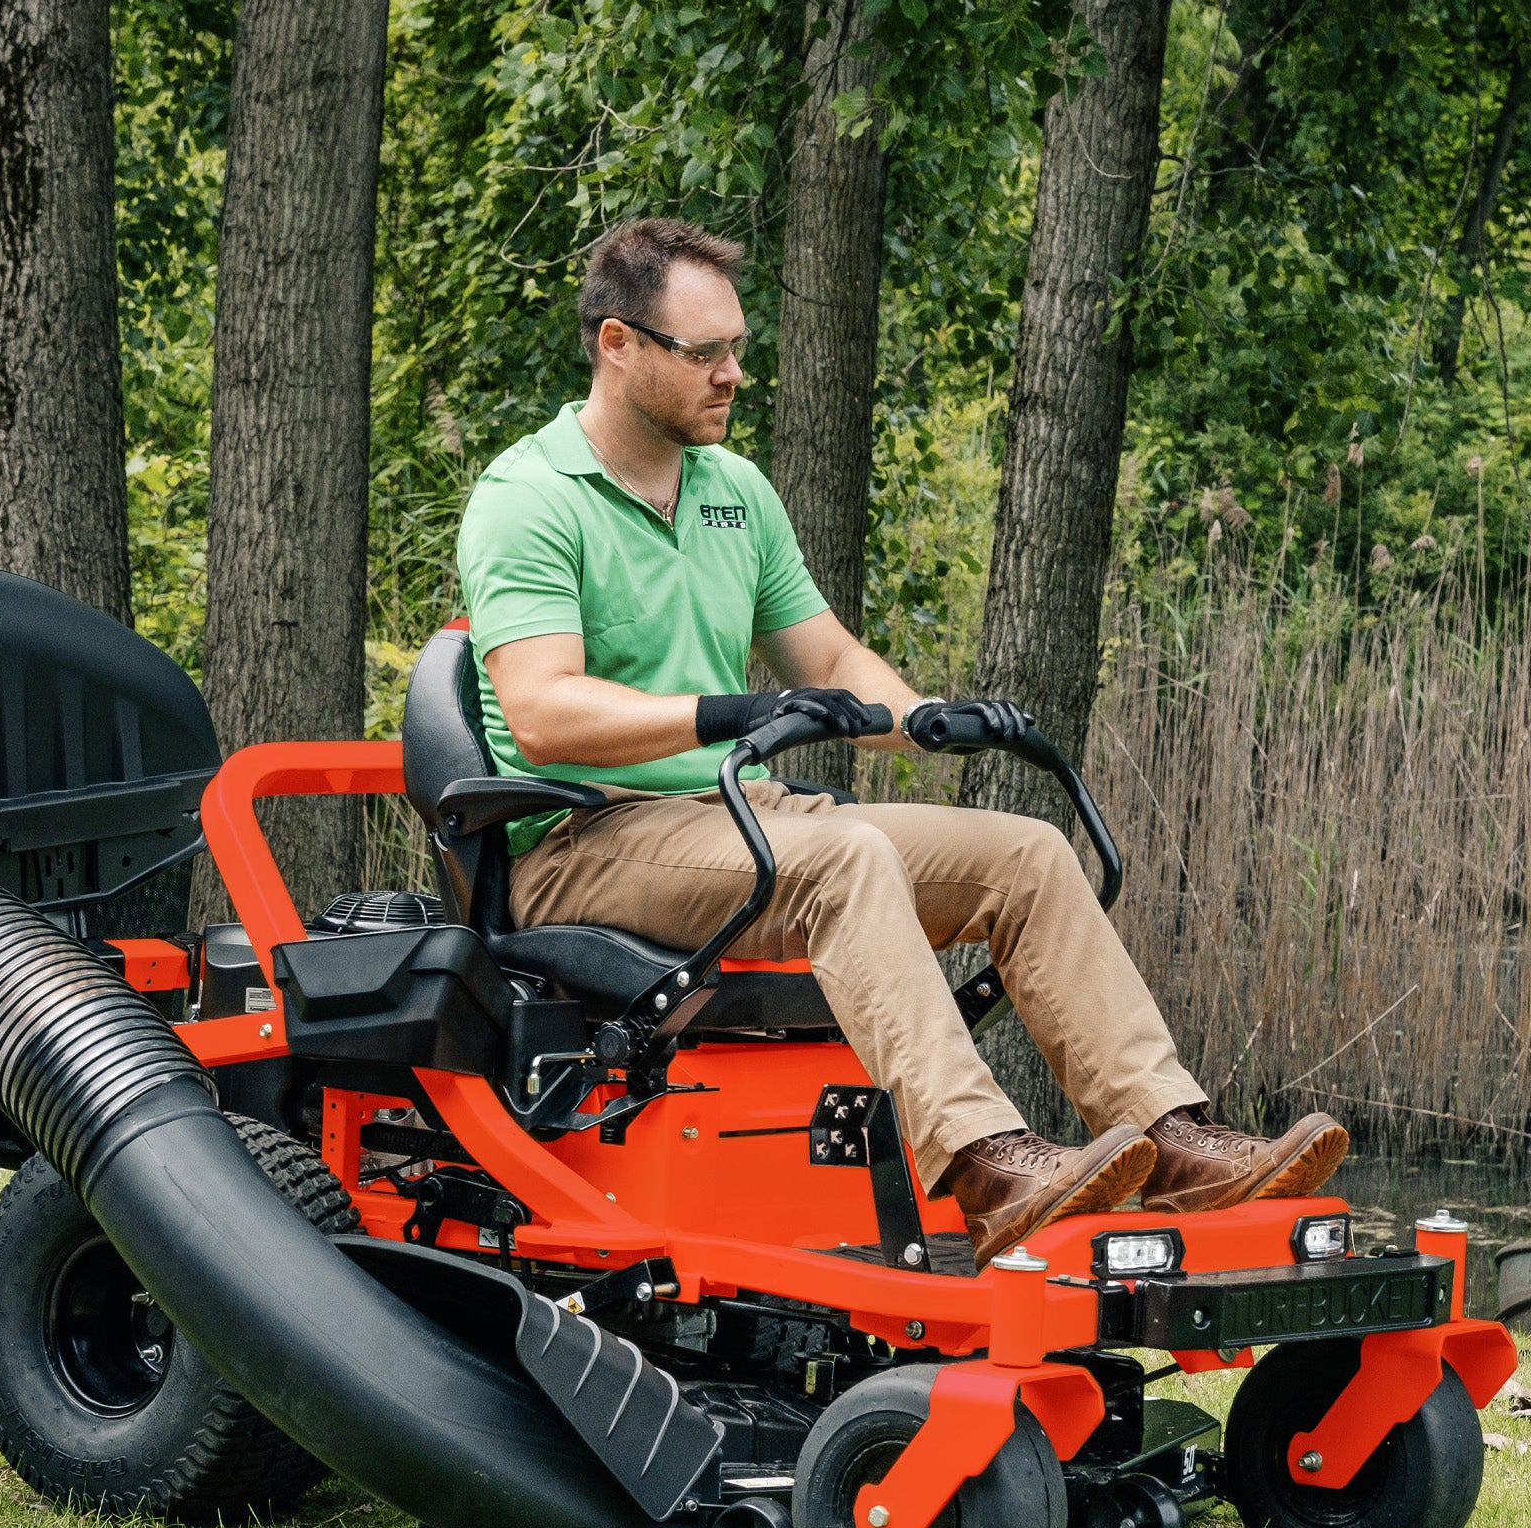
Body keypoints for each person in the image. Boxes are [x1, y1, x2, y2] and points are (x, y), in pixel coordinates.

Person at [455, 216, 1347, 1265]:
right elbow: (543, 711)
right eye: (703, 353)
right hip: (581, 842)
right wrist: (726, 714)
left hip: (730, 820)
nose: (731, 373)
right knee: (843, 855)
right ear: (617, 345)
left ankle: (1172, 1133)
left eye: (737, 347)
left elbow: (827, 659)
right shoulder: (529, 497)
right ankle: (985, 1160)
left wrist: (920, 718)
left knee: (1023, 853)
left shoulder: (732, 492)